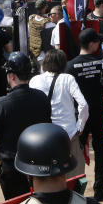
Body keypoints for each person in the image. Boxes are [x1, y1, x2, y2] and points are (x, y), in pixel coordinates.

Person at [0, 52, 52, 199]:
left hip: (12, 167)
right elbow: (47, 125)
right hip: (38, 166)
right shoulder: (41, 97)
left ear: (12, 76)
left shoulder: (2, 103)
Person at [65, 28, 103, 200]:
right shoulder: (102, 62)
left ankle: (76, 191)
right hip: (100, 113)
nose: (100, 45)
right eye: (98, 42)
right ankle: (99, 189)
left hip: (79, 117)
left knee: (76, 153)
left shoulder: (70, 66)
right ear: (92, 44)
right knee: (101, 152)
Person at [29, 49, 89, 178]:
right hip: (69, 135)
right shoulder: (68, 79)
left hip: (45, 135)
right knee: (74, 174)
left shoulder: (35, 81)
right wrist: (80, 126)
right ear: (63, 64)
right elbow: (83, 104)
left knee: (49, 175)